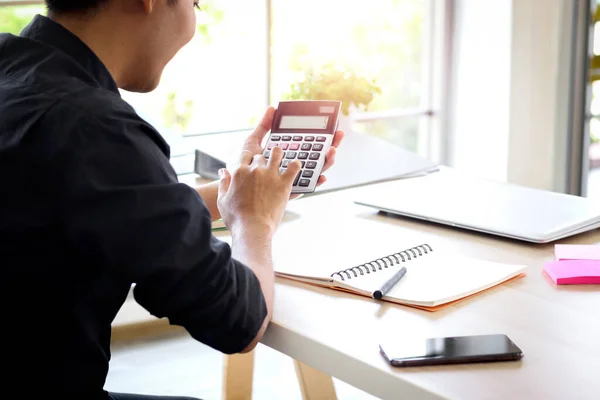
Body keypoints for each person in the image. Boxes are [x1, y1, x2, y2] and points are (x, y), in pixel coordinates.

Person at [0, 1, 344, 399]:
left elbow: (109, 205)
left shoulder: (18, 74)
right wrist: (256, 221)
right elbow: (238, 319)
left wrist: (242, 193)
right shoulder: (95, 126)